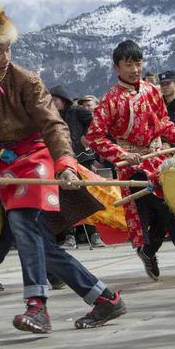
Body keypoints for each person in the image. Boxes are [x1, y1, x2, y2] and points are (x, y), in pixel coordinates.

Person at [0, 1, 126, 333]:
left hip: (35, 158)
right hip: (3, 168)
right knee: (36, 239)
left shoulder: (26, 80)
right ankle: (104, 299)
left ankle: (37, 307)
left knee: (23, 225)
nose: (5, 56)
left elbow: (53, 126)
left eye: (7, 47)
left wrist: (65, 163)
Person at [85, 40, 175, 287]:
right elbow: (94, 136)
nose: (134, 69)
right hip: (132, 168)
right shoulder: (110, 99)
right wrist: (121, 154)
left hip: (158, 161)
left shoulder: (153, 91)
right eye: (128, 64)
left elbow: (163, 123)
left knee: (167, 213)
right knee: (162, 213)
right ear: (117, 67)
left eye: (138, 63)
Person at [49, 85, 105, 249]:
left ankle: (94, 235)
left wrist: (86, 137)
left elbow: (96, 124)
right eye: (50, 100)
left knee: (85, 197)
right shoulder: (52, 116)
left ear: (63, 99)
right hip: (63, 161)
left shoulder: (78, 111)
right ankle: (69, 236)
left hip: (82, 159)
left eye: (55, 100)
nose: (53, 103)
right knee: (66, 200)